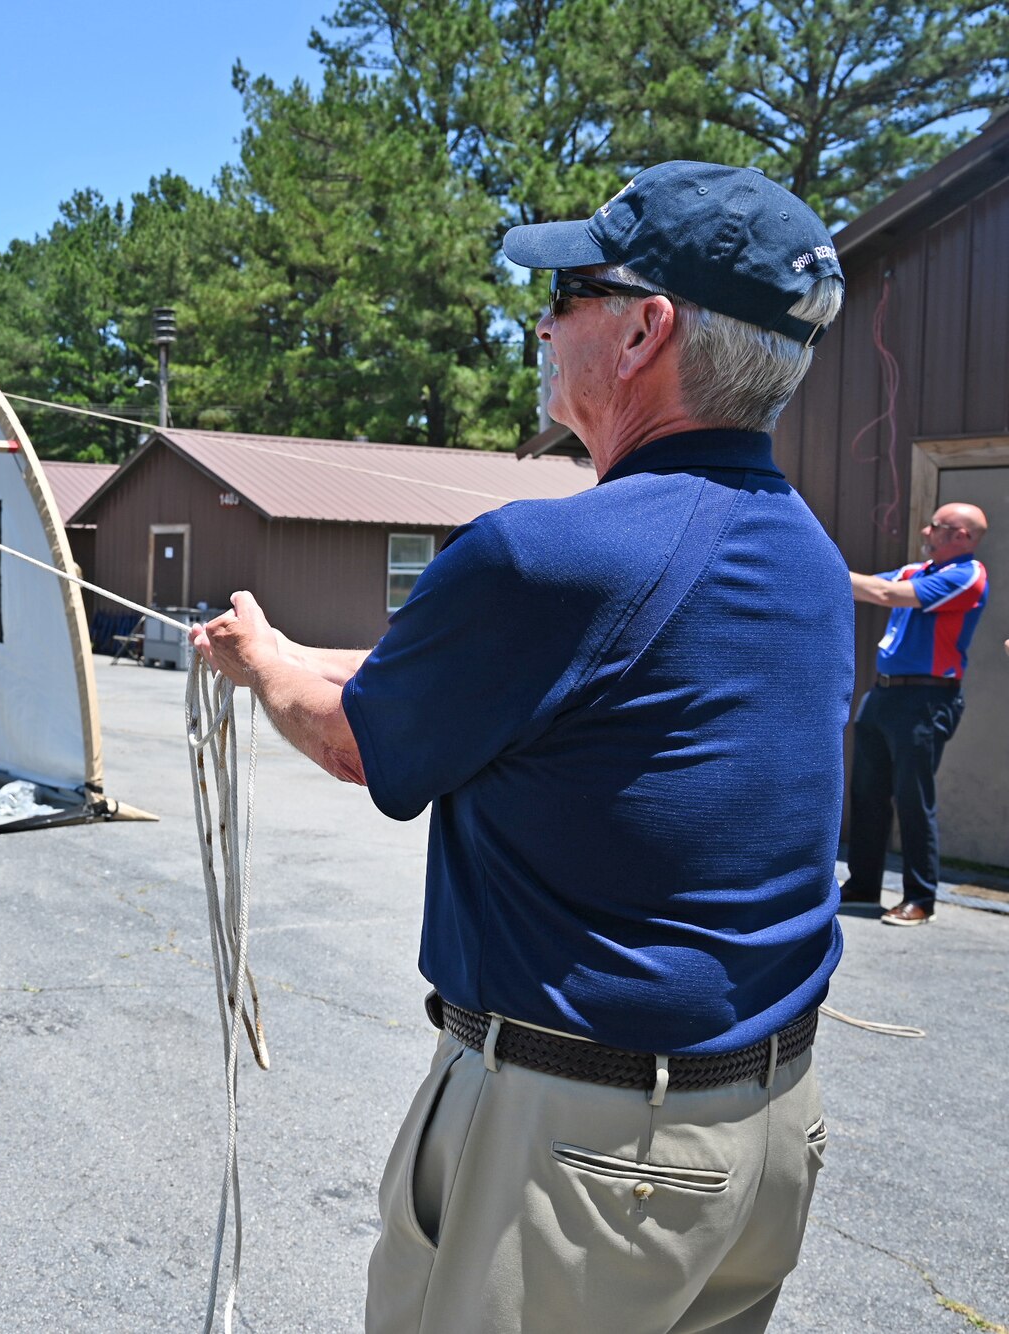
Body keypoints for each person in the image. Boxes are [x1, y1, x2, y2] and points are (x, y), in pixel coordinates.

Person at [191, 162, 848, 1333]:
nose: (540, 320)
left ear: (645, 328)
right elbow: (537, 696)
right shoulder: (801, 549)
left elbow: (357, 743)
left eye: (567, 292)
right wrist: (299, 647)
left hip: (586, 1151)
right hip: (764, 1131)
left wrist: (263, 666)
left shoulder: (547, 557)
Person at [840, 503, 989, 926]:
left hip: (926, 698)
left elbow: (884, 594)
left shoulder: (967, 575)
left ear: (962, 536)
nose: (927, 530)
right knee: (867, 793)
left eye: (937, 526)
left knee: (913, 799)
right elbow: (868, 585)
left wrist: (820, 565)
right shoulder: (916, 570)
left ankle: (921, 898)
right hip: (884, 694)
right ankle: (864, 885)